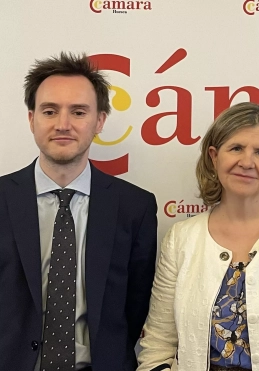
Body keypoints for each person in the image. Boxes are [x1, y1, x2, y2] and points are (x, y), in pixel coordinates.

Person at [137, 102, 259, 371]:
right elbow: (158, 344)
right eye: (236, 149)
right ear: (214, 156)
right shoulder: (181, 238)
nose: (247, 162)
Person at [0, 52, 158, 371]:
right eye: (49, 111)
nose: (63, 124)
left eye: (78, 111)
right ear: (32, 119)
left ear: (99, 120)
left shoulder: (134, 207)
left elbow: (136, 305)